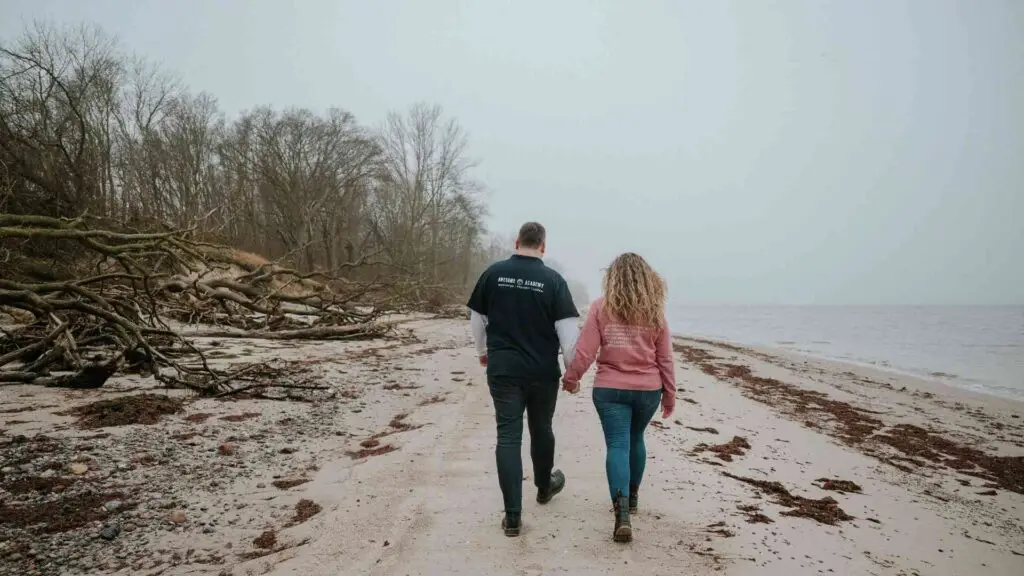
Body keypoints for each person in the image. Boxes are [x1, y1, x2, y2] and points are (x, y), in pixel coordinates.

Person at [467, 222, 580, 537]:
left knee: (508, 436)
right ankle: (544, 488)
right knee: (541, 427)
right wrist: (572, 372)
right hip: (542, 371)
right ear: (543, 246)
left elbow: (477, 320)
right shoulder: (554, 281)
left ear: (517, 241)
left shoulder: (493, 274)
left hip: (503, 369)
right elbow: (568, 334)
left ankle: (513, 516)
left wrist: (482, 352)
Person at [560, 252, 676, 543]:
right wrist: (670, 395)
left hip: (610, 389)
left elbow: (585, 352)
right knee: (636, 440)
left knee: (617, 445)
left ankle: (621, 514)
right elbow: (665, 359)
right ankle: (633, 499)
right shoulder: (654, 313)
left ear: (612, 278)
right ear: (647, 280)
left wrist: (571, 378)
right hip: (648, 390)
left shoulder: (601, 308)